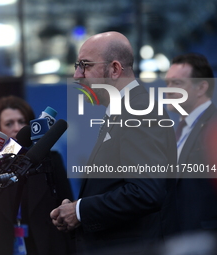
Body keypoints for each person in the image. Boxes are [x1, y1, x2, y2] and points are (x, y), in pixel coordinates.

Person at [50, 31, 178, 254]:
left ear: (115, 69)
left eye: (85, 65)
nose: (77, 75)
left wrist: (80, 211)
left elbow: (145, 192)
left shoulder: (139, 111)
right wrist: (76, 209)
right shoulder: (123, 111)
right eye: (76, 65)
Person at [0, 95, 74, 255]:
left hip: (46, 247)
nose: (16, 128)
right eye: (9, 123)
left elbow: (67, 206)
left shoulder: (51, 160)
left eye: (22, 122)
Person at [165, 53, 217, 233]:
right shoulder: (178, 131)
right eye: (167, 83)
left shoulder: (213, 128)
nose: (168, 90)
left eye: (176, 83)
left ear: (201, 87)